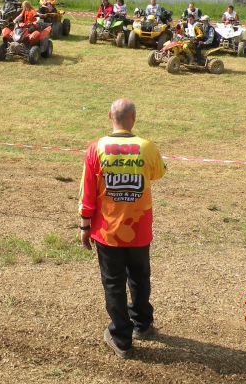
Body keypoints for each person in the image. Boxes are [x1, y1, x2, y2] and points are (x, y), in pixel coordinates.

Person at [79, 99, 167, 359]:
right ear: (135, 118)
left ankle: (121, 339)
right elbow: (158, 173)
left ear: (109, 116)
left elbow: (88, 193)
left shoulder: (95, 148)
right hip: (139, 229)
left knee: (113, 283)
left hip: (107, 232)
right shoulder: (147, 147)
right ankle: (142, 324)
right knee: (140, 277)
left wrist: (84, 225)